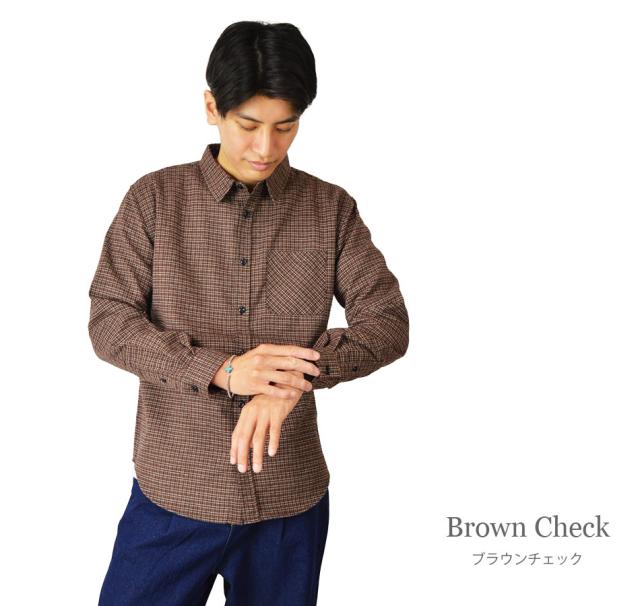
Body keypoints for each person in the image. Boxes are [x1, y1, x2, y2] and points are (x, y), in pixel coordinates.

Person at [89, 20, 409, 606]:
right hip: (174, 492)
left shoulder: (331, 208)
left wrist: (291, 380)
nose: (266, 148)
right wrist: (223, 370)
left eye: (285, 127)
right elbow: (110, 322)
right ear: (212, 108)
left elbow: (387, 322)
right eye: (249, 125)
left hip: (290, 499)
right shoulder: (154, 200)